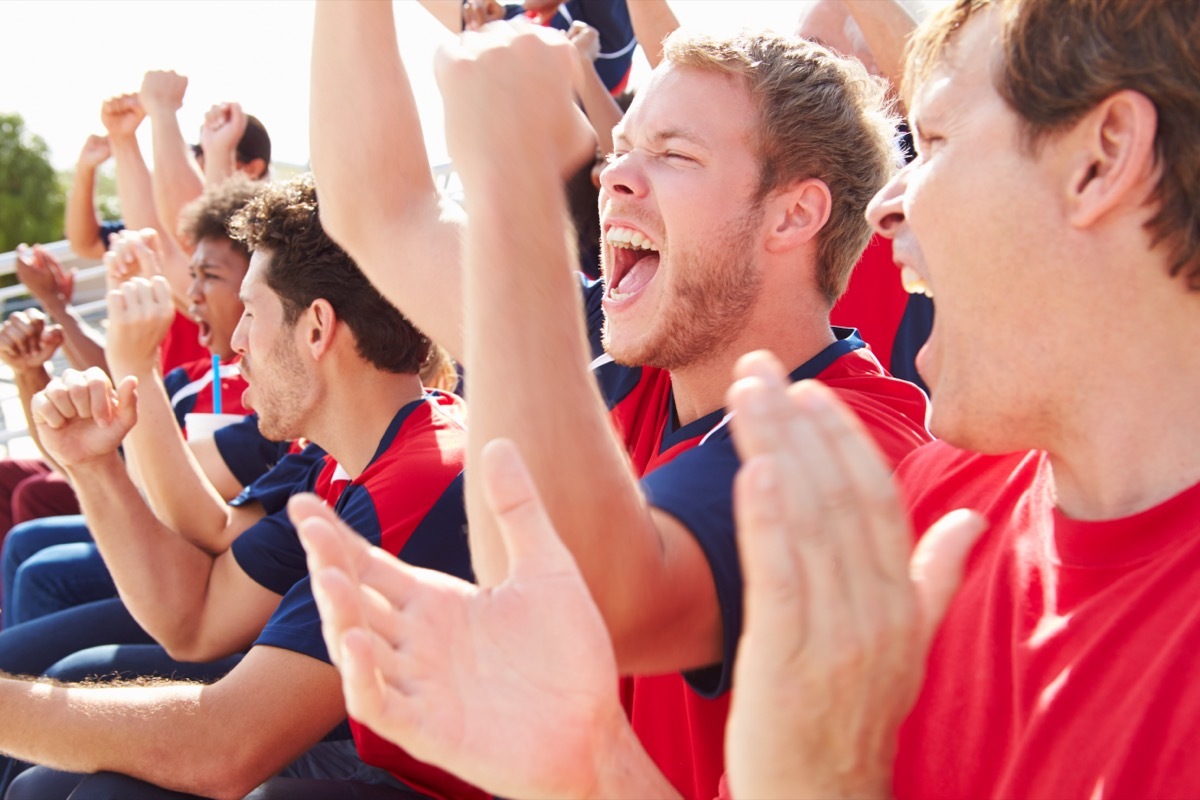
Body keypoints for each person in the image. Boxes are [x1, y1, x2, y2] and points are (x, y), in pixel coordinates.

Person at [312, 8, 933, 798]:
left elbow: (570, 602)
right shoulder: (643, 357)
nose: (614, 178)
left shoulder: (852, 439)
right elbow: (381, 210)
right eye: (619, 152)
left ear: (794, 214)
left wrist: (515, 179)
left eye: (672, 154)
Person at [0, 175, 474, 800]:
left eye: (252, 312)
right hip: (374, 750)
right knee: (47, 783)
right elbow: (195, 619)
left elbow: (223, 748)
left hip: (443, 784)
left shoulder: (420, 477)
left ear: (316, 329)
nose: (237, 340)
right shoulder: (345, 463)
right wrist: (94, 467)